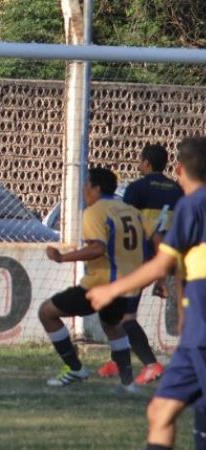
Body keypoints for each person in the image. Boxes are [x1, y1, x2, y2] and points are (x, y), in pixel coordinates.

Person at [88, 137, 206, 450]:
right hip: (194, 332)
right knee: (160, 411)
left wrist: (111, 289)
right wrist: (183, 310)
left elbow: (163, 260)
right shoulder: (182, 197)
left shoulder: (189, 204)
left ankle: (141, 363)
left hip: (197, 328)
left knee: (126, 318)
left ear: (180, 168)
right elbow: (185, 262)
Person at [39, 167, 143, 392]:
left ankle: (74, 367)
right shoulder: (129, 210)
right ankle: (128, 383)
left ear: (96, 188)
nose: (84, 189)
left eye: (87, 184)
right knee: (112, 325)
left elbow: (97, 248)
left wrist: (62, 257)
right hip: (126, 285)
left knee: (46, 312)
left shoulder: (95, 211)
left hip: (101, 284)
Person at [97, 144, 183, 385]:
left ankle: (150, 365)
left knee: (122, 316)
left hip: (139, 258)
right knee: (118, 313)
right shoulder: (177, 189)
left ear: (146, 163)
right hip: (167, 256)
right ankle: (118, 360)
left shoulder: (137, 188)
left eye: (140, 160)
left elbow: (129, 225)